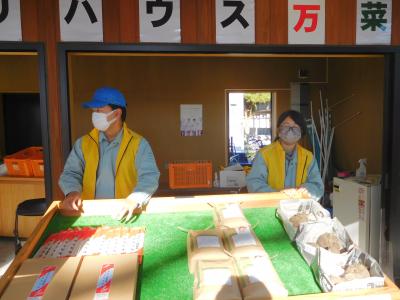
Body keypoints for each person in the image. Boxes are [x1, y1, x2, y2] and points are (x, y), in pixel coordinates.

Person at [59, 87, 160, 219]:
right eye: (93, 110)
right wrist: (72, 192)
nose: (94, 114)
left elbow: (149, 176)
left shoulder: (139, 144)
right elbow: (71, 173)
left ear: (117, 113)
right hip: (88, 212)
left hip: (125, 213)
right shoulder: (83, 143)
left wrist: (135, 199)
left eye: (99, 110)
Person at [246, 110, 324, 200]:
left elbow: (317, 186)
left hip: (299, 208)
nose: (291, 130)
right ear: (278, 130)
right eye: (286, 125)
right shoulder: (264, 155)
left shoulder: (308, 157)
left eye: (295, 126)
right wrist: (279, 195)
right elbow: (254, 183)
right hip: (272, 208)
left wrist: (303, 190)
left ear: (301, 132)